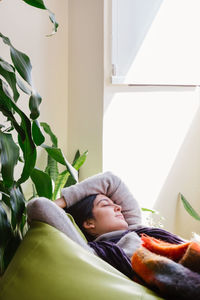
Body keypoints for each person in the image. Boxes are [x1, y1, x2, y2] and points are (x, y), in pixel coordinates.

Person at [27, 171, 184, 279]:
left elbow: (111, 180)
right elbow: (39, 206)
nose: (118, 207)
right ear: (89, 223)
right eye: (105, 204)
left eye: (115, 203)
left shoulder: (135, 229)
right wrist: (62, 203)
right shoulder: (98, 253)